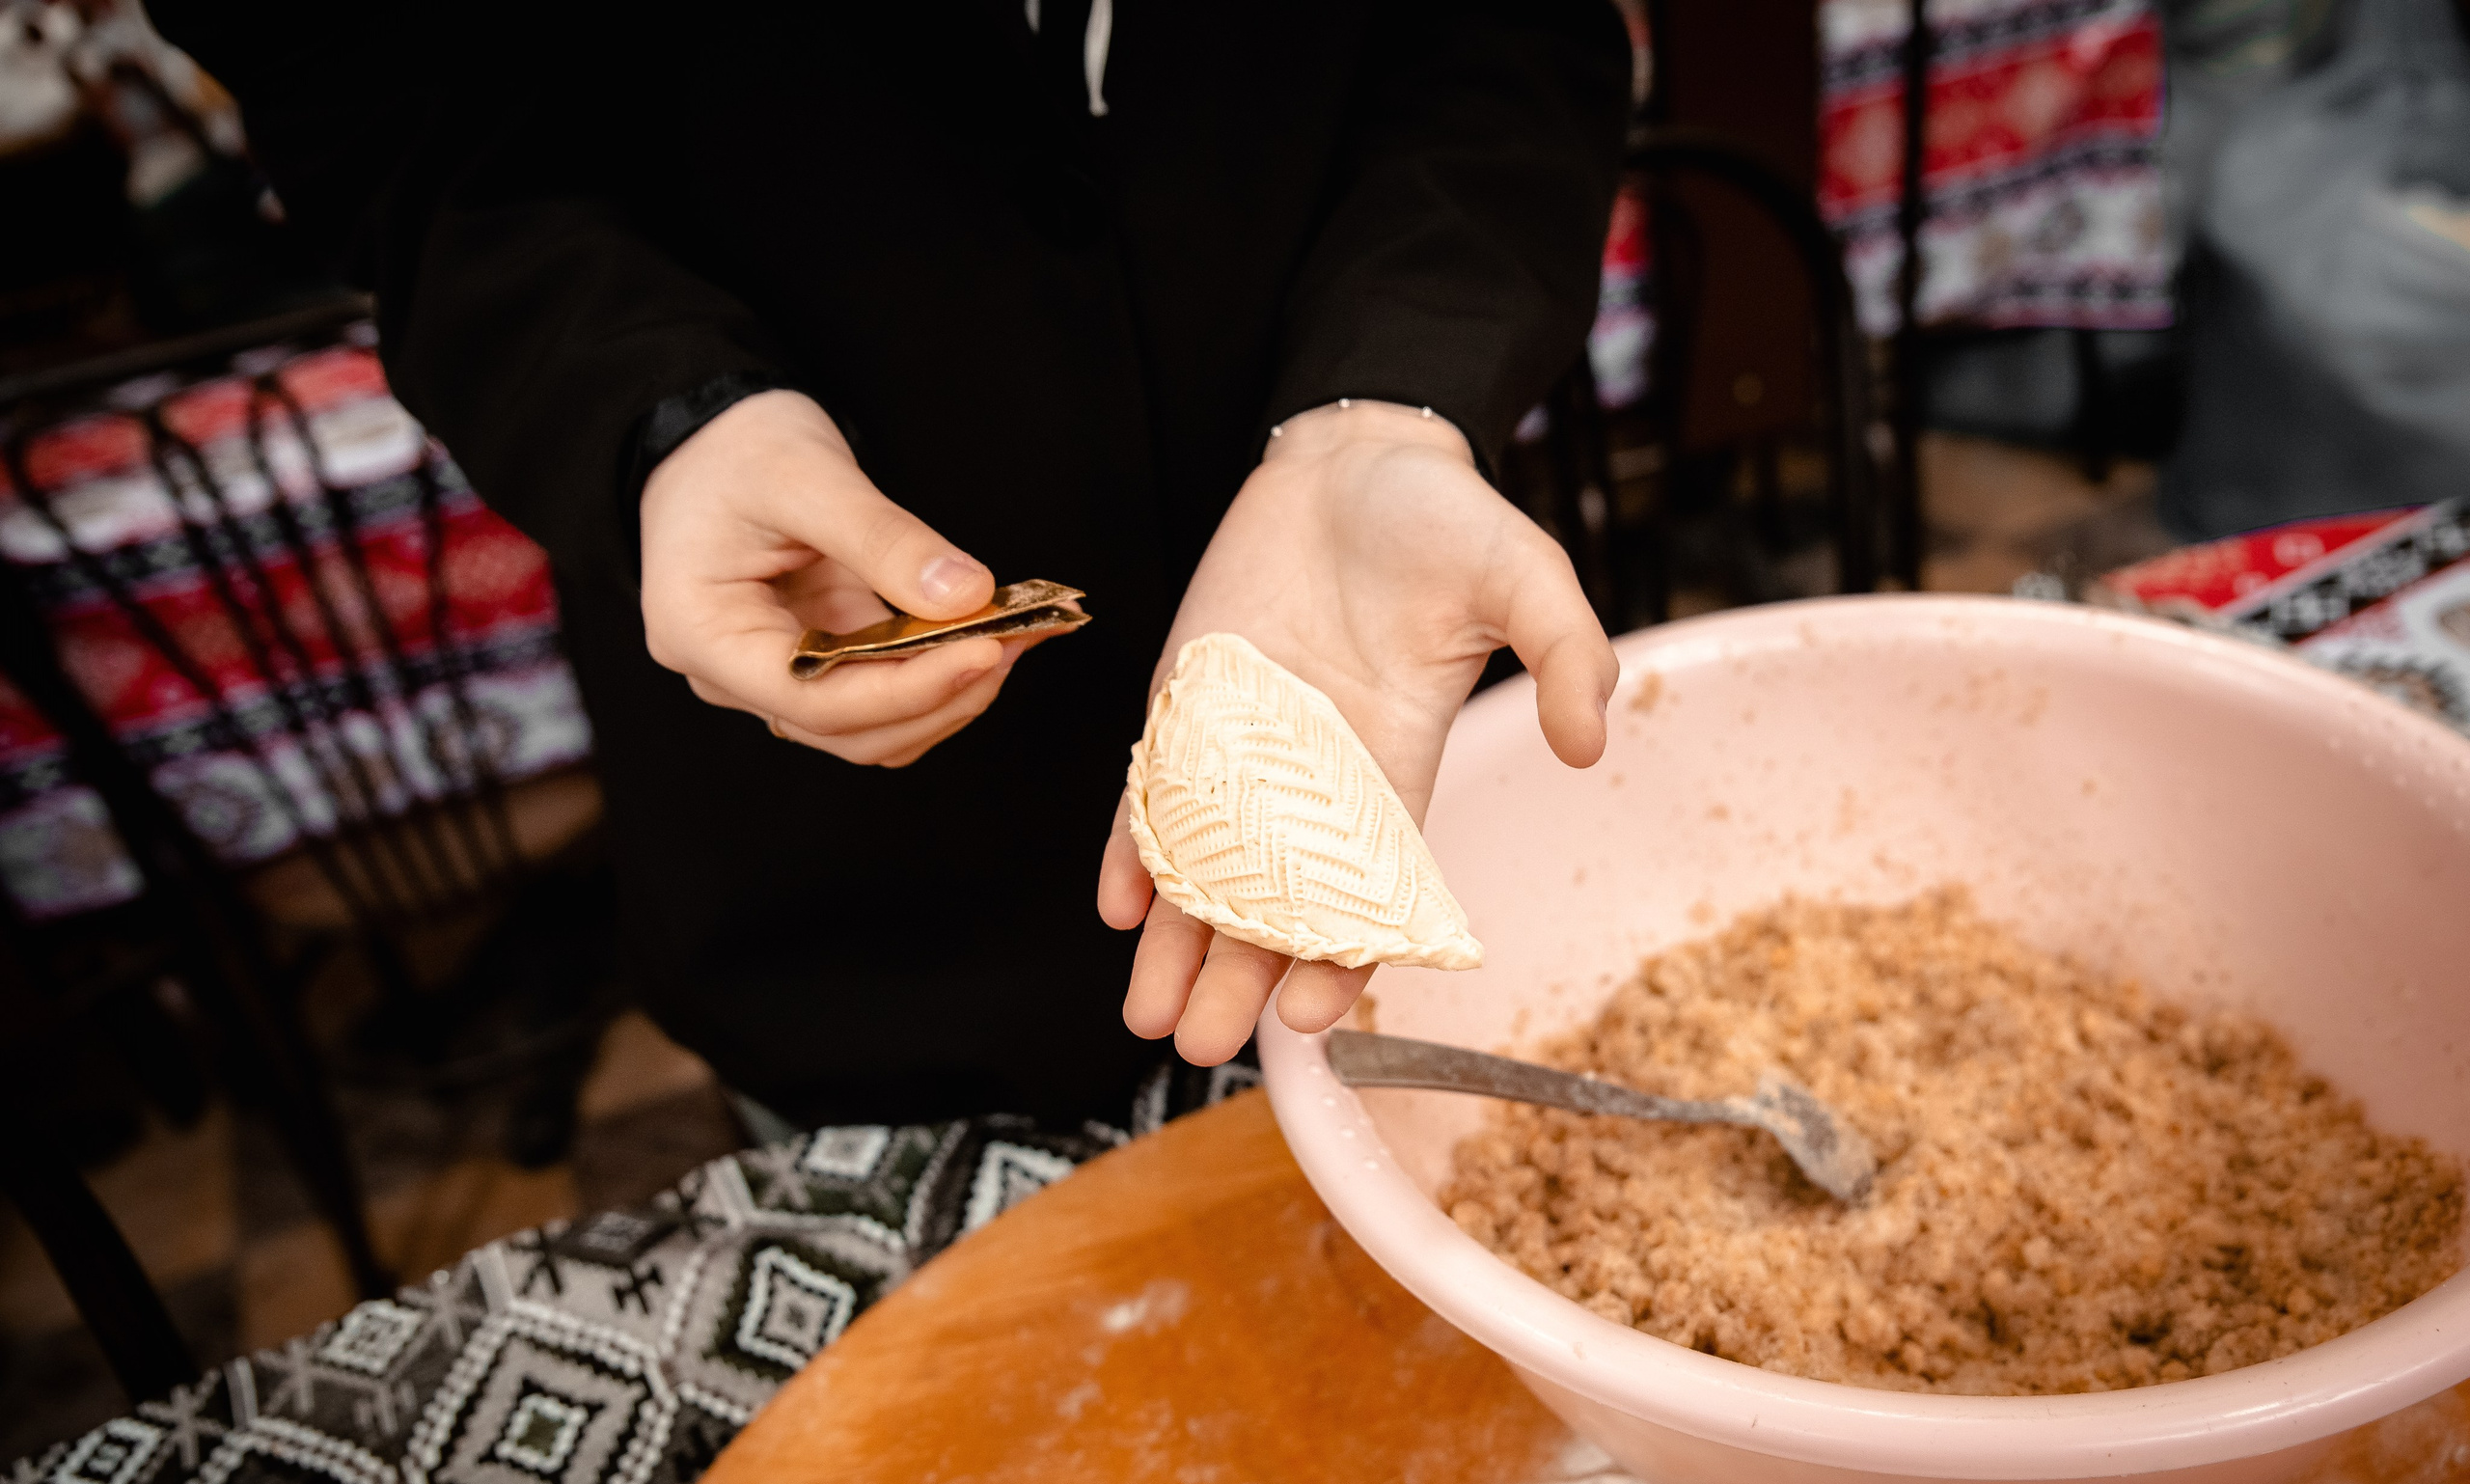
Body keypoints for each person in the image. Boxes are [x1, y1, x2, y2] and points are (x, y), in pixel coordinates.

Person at [150, 0, 1633, 1129]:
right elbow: (388, 100)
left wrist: (1393, 389)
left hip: (1398, 772)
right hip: (847, 893)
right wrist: (659, 412)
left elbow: (1508, 35)